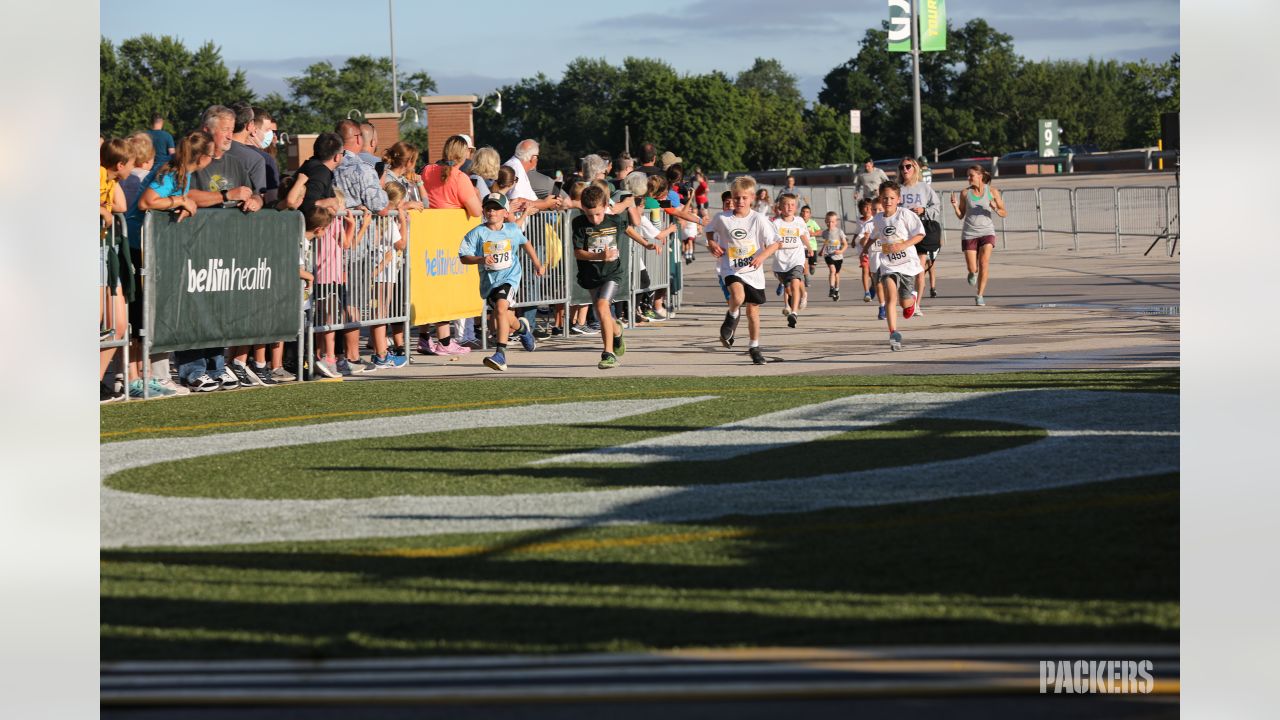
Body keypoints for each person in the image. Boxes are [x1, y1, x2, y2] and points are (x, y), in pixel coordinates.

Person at [572, 185, 656, 369]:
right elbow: (578, 252)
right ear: (584, 209)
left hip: (613, 273)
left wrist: (645, 243)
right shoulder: (579, 223)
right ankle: (617, 331)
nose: (594, 219)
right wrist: (599, 256)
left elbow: (628, 229)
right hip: (591, 274)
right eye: (590, 215)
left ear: (605, 207)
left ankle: (608, 354)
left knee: (602, 306)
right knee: (603, 314)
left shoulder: (614, 220)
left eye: (598, 214)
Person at [458, 192, 544, 371]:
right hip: (490, 282)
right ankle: (522, 329)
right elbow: (463, 257)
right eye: (489, 208)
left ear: (505, 212)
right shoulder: (477, 233)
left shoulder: (511, 229)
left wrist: (537, 263)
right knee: (503, 318)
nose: (492, 212)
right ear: (483, 211)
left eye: (497, 208)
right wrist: (481, 259)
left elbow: (525, 242)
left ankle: (500, 354)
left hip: (510, 277)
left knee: (501, 308)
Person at [705, 175, 780, 365]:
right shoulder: (722, 218)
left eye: (744, 198)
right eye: (736, 198)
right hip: (731, 268)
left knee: (753, 312)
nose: (739, 201)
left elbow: (775, 243)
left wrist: (761, 256)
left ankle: (754, 347)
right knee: (737, 297)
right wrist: (712, 243)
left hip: (753, 271)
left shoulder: (759, 219)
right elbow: (709, 230)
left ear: (752, 198)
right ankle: (731, 317)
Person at [868, 182, 924, 351]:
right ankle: (893, 333)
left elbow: (920, 234)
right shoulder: (878, 219)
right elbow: (875, 235)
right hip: (888, 264)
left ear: (898, 199)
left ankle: (911, 301)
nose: (888, 201)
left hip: (906, 264)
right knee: (890, 298)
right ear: (880, 198)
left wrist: (903, 245)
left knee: (904, 303)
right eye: (885, 198)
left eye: (892, 198)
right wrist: (864, 248)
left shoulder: (905, 214)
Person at [99, 139, 134, 400]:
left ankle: (97, 380)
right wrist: (100, 208)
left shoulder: (109, 179)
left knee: (118, 325)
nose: (132, 169)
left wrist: (116, 178)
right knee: (100, 320)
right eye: (129, 164)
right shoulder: (97, 173)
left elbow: (121, 207)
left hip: (104, 251)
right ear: (120, 163)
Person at [951, 164, 1007, 306]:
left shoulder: (992, 191)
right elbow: (961, 215)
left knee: (984, 263)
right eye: (968, 175)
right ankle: (972, 273)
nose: (968, 178)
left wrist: (995, 208)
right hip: (969, 233)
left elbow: (1004, 212)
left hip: (987, 232)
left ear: (980, 176)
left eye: (971, 175)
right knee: (972, 268)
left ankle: (980, 294)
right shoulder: (965, 193)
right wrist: (955, 206)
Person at [896, 156, 941, 309]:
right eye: (902, 167)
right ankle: (906, 298)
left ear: (915, 168)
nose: (905, 170)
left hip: (920, 231)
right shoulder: (897, 189)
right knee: (902, 269)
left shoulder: (924, 188)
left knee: (919, 269)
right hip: (901, 233)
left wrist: (924, 210)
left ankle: (917, 305)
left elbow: (936, 207)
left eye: (908, 166)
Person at [772, 193, 810, 327]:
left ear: (796, 207)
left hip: (796, 258)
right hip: (781, 262)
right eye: (786, 204)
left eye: (792, 205)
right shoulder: (776, 224)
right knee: (788, 290)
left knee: (795, 283)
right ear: (780, 207)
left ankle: (794, 313)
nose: (789, 207)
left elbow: (803, 235)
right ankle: (800, 297)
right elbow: (770, 241)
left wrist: (809, 247)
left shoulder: (799, 221)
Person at [503, 139, 563, 213]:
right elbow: (516, 202)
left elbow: (534, 201)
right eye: (537, 157)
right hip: (513, 223)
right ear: (533, 158)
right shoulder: (516, 169)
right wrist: (545, 203)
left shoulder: (516, 166)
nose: (537, 159)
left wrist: (550, 204)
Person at [381, 141, 424, 209]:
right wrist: (406, 206)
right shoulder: (387, 179)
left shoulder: (403, 180)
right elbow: (381, 206)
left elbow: (424, 204)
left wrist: (420, 183)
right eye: (415, 161)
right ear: (409, 162)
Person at [820, 211, 848, 301]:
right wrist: (822, 250)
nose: (830, 224)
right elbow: (826, 241)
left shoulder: (839, 232)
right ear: (825, 221)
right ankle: (831, 288)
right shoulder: (825, 232)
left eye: (832, 221)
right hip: (829, 255)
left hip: (838, 256)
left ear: (836, 222)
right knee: (832, 270)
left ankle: (837, 289)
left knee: (836, 274)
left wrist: (841, 251)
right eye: (828, 221)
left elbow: (845, 244)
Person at [854, 198, 877, 303]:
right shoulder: (859, 221)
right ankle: (866, 292)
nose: (868, 209)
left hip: (874, 251)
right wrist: (854, 239)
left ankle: (874, 286)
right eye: (865, 207)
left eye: (870, 207)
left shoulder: (874, 220)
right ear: (861, 209)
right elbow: (858, 232)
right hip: (862, 250)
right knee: (865, 269)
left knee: (873, 273)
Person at [801, 205, 821, 276]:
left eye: (807, 212)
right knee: (804, 263)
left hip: (812, 246)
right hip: (803, 246)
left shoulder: (812, 222)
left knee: (812, 266)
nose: (805, 213)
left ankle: (812, 267)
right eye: (803, 212)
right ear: (801, 213)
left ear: (810, 214)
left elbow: (819, 231)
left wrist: (814, 234)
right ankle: (806, 277)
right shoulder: (799, 222)